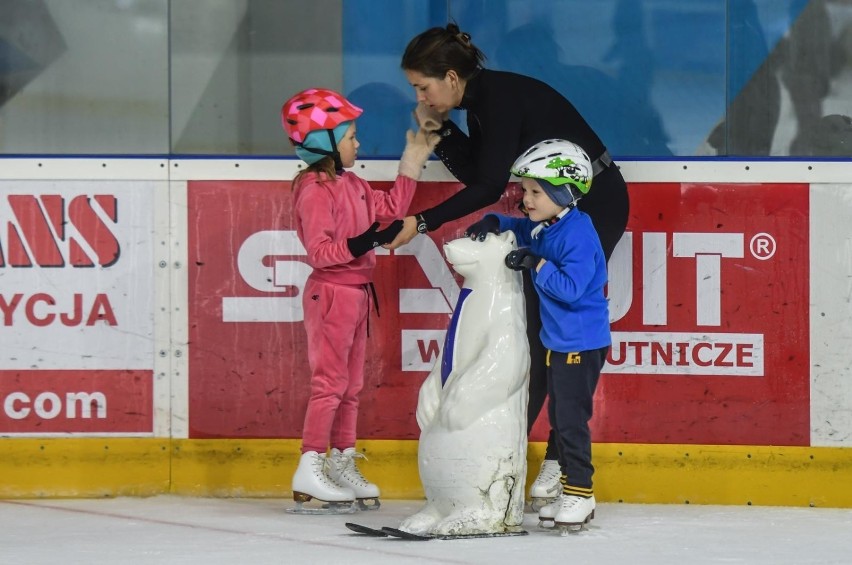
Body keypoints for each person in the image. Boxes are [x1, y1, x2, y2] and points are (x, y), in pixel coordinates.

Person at [389, 22, 629, 505]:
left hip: (592, 204)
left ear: (452, 77)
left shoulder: (498, 99)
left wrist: (422, 220)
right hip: (561, 208)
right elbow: (486, 177)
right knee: (537, 326)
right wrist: (441, 132)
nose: (419, 94)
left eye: (423, 86)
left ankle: (557, 458)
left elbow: (482, 188)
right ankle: (521, 450)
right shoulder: (480, 104)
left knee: (553, 323)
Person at [281, 87, 439, 509]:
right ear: (325, 143)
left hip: (355, 294)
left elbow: (388, 208)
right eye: (351, 137)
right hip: (331, 294)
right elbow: (320, 252)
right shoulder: (314, 189)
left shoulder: (351, 183)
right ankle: (310, 462)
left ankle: (341, 460)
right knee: (329, 384)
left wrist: (413, 159)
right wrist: (361, 242)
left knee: (351, 386)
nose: (358, 144)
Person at [465, 139, 610, 528]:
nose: (525, 199)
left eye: (534, 192)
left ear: (563, 192)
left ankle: (580, 493)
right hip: (560, 342)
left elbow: (570, 288)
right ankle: (569, 489)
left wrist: (536, 263)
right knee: (561, 415)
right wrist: (497, 222)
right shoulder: (552, 223)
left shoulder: (577, 234)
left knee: (569, 419)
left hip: (580, 342)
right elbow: (527, 229)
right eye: (524, 191)